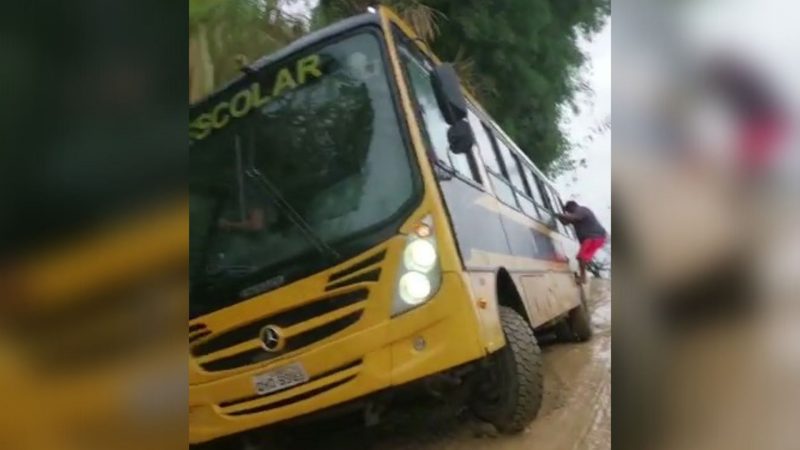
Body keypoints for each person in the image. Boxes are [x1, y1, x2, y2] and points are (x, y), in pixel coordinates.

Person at [555, 201, 607, 284]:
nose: (568, 213)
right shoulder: (575, 215)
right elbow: (565, 223)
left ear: (572, 207)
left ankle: (583, 278)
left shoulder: (581, 210)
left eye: (568, 211)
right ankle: (584, 276)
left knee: (581, 257)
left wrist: (561, 215)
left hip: (594, 237)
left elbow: (573, 218)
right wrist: (559, 216)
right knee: (581, 258)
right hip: (595, 238)